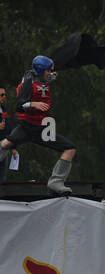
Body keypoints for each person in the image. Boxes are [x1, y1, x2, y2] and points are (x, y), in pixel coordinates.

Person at [1, 56, 78, 194]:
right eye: (48, 71)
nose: (51, 74)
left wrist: (69, 61)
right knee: (5, 145)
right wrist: (33, 104)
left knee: (70, 149)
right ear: (40, 70)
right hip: (26, 127)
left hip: (43, 128)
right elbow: (18, 106)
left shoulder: (45, 78)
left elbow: (54, 75)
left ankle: (56, 182)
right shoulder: (28, 82)